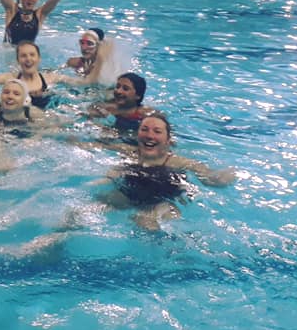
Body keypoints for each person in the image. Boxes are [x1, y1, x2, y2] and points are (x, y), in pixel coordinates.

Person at [97, 112, 235, 231]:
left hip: (161, 203)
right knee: (81, 213)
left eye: (157, 132)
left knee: (147, 225)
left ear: (168, 140)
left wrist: (227, 175)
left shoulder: (179, 162)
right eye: (144, 129)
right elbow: (91, 145)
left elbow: (210, 178)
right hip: (126, 197)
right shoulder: (126, 152)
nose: (149, 135)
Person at [0, 40, 62, 109]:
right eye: (23, 56)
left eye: (32, 55)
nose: (28, 59)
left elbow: (76, 82)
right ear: (18, 60)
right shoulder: (10, 78)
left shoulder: (49, 78)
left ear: (39, 58)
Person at [89, 72, 154, 134]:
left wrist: (111, 119)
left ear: (138, 95)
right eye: (117, 87)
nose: (118, 91)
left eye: (125, 89)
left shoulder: (145, 113)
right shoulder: (106, 107)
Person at [53, 27, 117, 87]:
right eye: (82, 42)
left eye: (89, 44)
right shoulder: (74, 62)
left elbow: (89, 83)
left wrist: (62, 78)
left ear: (99, 45)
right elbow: (54, 71)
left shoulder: (105, 68)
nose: (84, 48)